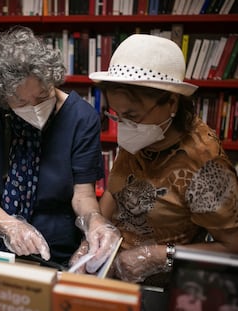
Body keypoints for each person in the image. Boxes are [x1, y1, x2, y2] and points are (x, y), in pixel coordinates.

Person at [88, 34, 238, 286]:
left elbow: (232, 248)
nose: (125, 126)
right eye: (118, 115)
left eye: (132, 115)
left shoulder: (204, 162)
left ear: (171, 102)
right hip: (113, 273)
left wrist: (159, 256)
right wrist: (95, 233)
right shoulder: (143, 133)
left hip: (165, 285)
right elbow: (115, 192)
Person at [0, 26, 120, 268]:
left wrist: (94, 220)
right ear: (3, 98)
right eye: (20, 101)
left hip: (59, 252)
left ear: (50, 80)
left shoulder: (80, 118)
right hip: (2, 249)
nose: (34, 107)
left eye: (42, 97)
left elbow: (83, 195)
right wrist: (9, 225)